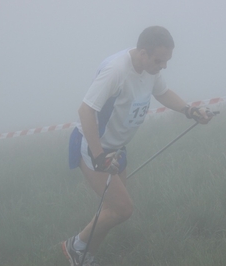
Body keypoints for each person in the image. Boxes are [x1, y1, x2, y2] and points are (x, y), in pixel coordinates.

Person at [62, 26, 213, 266]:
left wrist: (189, 110)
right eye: (159, 60)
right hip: (93, 147)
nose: (163, 66)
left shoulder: (150, 69)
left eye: (166, 61)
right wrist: (99, 155)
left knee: (113, 209)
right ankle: (75, 246)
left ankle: (83, 257)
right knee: (122, 208)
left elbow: (162, 92)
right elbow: (86, 110)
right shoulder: (116, 70)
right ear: (142, 52)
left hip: (117, 148)